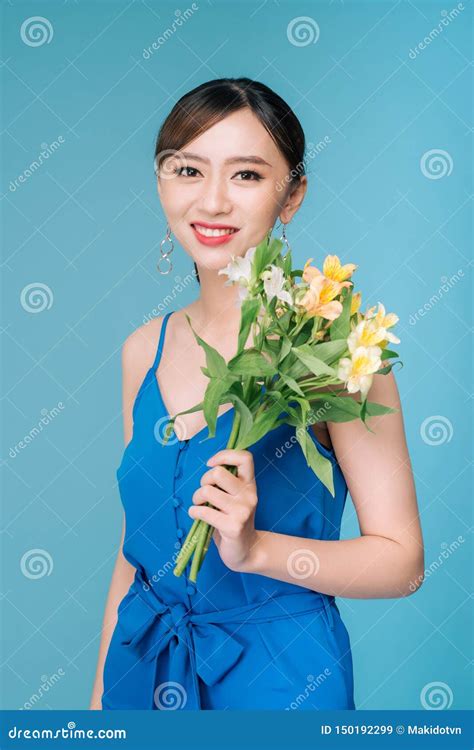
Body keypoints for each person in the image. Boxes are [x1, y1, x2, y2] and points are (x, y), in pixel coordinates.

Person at [90, 77, 424, 711]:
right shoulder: (145, 348)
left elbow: (401, 562)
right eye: (187, 169)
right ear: (162, 183)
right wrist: (100, 707)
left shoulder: (338, 352)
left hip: (282, 682)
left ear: (291, 195)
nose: (211, 201)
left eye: (245, 175)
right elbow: (136, 550)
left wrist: (256, 549)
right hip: (142, 667)